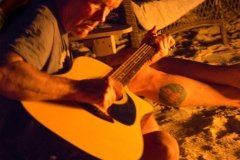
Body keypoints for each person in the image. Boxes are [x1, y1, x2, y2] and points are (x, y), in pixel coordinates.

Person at [0, 0, 179, 159]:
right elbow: (5, 74)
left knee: (158, 139)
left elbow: (85, 71)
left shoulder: (59, 25)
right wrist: (79, 89)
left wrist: (143, 57)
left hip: (56, 134)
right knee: (161, 147)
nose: (101, 18)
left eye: (110, 9)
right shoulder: (41, 20)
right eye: (98, 3)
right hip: (31, 145)